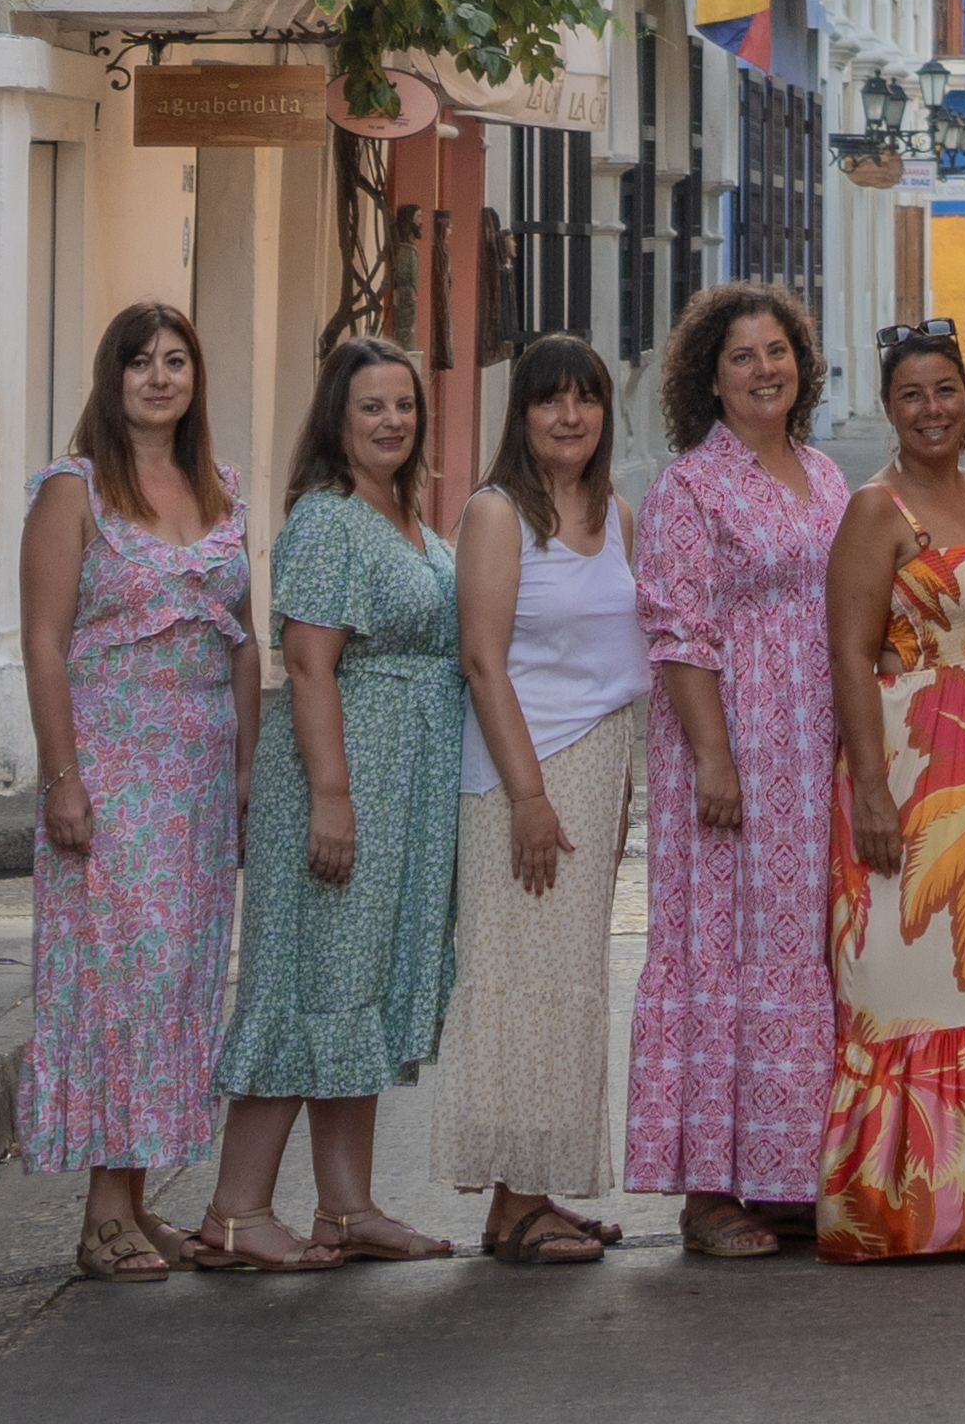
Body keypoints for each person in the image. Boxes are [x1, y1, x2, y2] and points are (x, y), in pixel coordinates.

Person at [200, 339, 464, 1270]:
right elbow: (309, 666)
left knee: (358, 989)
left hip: (405, 788)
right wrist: (331, 797)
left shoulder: (407, 517)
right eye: (371, 407)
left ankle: (346, 1208)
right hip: (341, 779)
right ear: (337, 421)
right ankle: (235, 1211)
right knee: (306, 985)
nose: (392, 421)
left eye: (404, 405)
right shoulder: (327, 519)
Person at [15, 300, 261, 1281]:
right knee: (121, 983)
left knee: (178, 986)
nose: (159, 378)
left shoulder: (222, 488)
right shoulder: (71, 490)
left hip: (198, 782)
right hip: (112, 776)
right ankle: (101, 1215)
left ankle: (136, 1195)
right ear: (110, 378)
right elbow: (43, 643)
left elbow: (242, 637)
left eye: (175, 361)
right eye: (140, 362)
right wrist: (62, 778)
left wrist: (245, 769)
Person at [626, 279, 850, 1257]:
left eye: (777, 351)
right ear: (709, 381)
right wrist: (714, 757)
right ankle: (711, 1190)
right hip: (732, 746)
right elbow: (677, 630)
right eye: (742, 357)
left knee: (800, 950)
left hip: (814, 749)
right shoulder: (689, 487)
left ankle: (787, 1173)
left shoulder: (826, 475)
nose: (765, 370)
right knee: (720, 947)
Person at [819, 316, 965, 1261]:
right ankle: (901, 1206)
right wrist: (871, 790)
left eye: (944, 389)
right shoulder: (875, 511)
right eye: (910, 395)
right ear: (887, 408)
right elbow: (848, 653)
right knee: (911, 977)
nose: (931, 409)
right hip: (915, 774)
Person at [436, 332, 649, 1265]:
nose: (569, 417)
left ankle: (531, 1194)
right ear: (519, 415)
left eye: (585, 399)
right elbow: (482, 663)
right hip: (522, 772)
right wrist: (528, 796)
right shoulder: (496, 514)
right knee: (520, 983)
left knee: (568, 988)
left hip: (596, 768)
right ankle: (517, 1201)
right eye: (549, 400)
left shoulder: (616, 514)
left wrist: (622, 789)